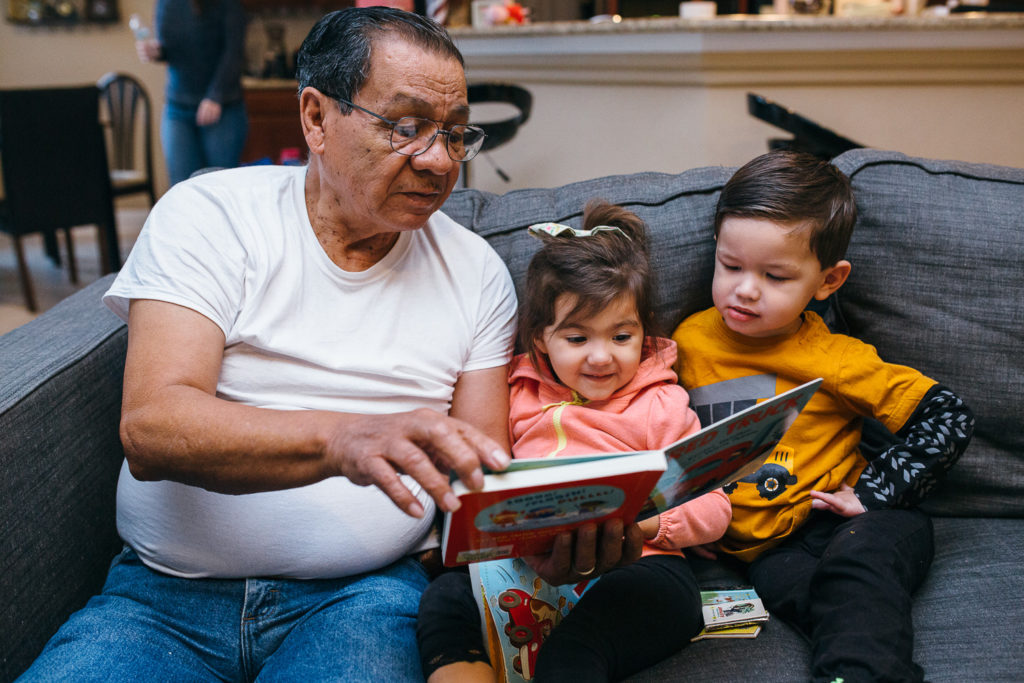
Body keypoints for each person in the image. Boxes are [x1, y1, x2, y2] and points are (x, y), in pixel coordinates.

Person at [19, 8, 643, 681]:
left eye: (456, 133)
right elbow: (152, 427)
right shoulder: (211, 215)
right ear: (316, 118)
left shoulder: (476, 273)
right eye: (406, 127)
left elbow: (478, 486)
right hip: (160, 599)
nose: (439, 161)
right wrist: (346, 438)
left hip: (363, 597)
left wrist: (538, 549)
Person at [672, 150, 976, 683]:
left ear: (827, 281)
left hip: (854, 523)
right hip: (767, 551)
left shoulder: (833, 357)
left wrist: (876, 494)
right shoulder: (688, 341)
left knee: (856, 570)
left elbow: (948, 415)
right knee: (822, 601)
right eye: (731, 265)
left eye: (775, 275)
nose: (745, 289)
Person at [417, 200, 732, 683]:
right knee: (444, 599)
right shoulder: (515, 391)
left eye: (621, 336)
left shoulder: (660, 402)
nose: (602, 357)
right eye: (578, 339)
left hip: (637, 566)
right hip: (528, 569)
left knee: (594, 639)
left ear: (644, 333)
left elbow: (713, 507)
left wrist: (640, 527)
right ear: (541, 338)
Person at [135, 0, 249, 185]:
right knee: (181, 187)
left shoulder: (227, 4)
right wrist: (157, 52)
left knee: (220, 186)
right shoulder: (165, 4)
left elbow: (234, 52)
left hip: (223, 108)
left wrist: (215, 96)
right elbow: (173, 48)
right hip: (177, 107)